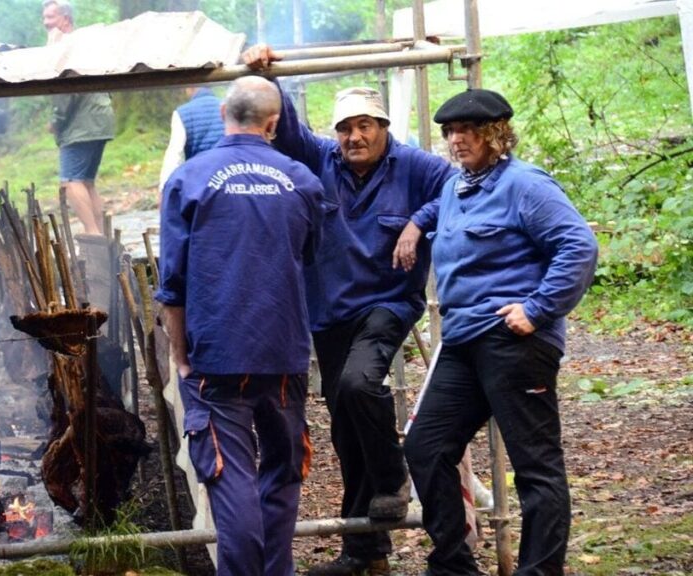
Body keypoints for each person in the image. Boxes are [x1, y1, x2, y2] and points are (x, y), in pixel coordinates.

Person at [243, 45, 456, 576]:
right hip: (330, 312)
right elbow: (286, 129)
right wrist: (268, 72)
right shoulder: (321, 159)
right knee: (346, 426)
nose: (354, 137)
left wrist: (418, 221)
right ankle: (364, 552)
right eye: (346, 128)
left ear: (383, 127)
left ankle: (392, 478)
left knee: (361, 387)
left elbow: (457, 185)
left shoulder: (414, 166)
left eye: (365, 126)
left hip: (386, 302)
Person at [404, 89, 598, 576]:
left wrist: (537, 309)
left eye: (467, 131)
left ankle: (538, 571)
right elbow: (440, 211)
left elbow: (578, 245)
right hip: (463, 339)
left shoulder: (526, 185)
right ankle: (454, 566)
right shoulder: (455, 187)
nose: (456, 140)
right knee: (426, 445)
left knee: (535, 465)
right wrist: (413, 223)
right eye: (450, 132)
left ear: (495, 134)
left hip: (515, 339)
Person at [156, 76, 324, 576]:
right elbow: (310, 256)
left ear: (223, 111)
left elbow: (173, 283)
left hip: (217, 356)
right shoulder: (302, 180)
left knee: (231, 483)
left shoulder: (188, 180)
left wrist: (180, 354)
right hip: (284, 352)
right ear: (273, 123)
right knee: (282, 470)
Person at [42, 0, 115, 235]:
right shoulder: (84, 42)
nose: (46, 23)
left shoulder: (67, 46)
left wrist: (57, 120)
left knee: (71, 180)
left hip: (83, 123)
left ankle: (93, 234)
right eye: (44, 18)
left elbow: (65, 90)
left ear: (65, 19)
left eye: (51, 17)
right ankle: (100, 233)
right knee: (86, 181)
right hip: (100, 116)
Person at [158, 86, 225, 190]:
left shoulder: (183, 113)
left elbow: (175, 156)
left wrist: (164, 190)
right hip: (227, 178)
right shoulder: (227, 108)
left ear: (189, 88)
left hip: (199, 185)